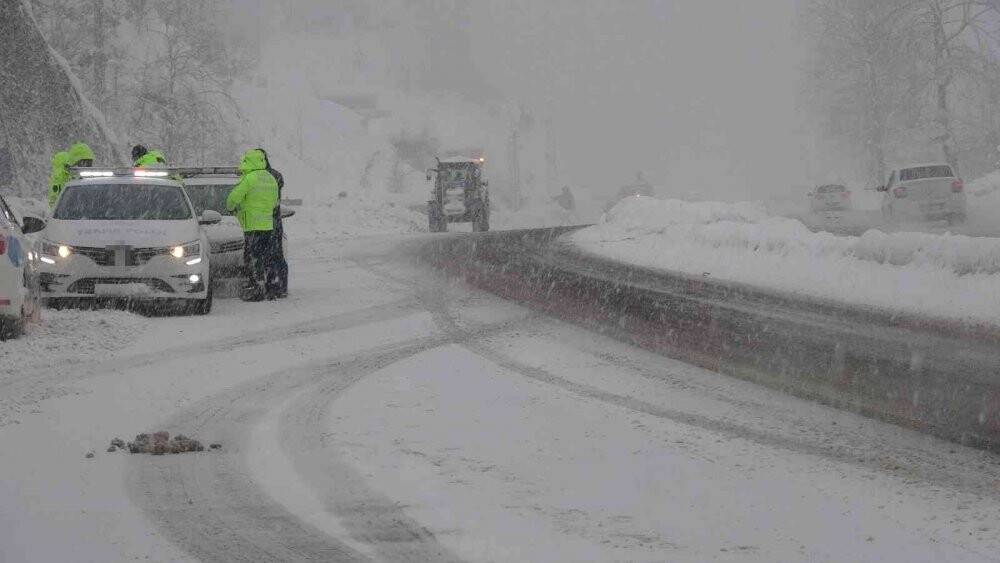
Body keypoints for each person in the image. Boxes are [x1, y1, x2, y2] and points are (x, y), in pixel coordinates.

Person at [226, 148, 279, 301]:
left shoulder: (250, 178)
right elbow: (275, 202)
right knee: (267, 258)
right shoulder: (270, 178)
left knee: (252, 259)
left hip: (252, 226)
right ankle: (270, 288)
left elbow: (233, 198)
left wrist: (231, 208)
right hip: (267, 226)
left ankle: (256, 289)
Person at [257, 148, 288, 298]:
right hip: (271, 222)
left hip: (262, 223)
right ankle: (277, 285)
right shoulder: (275, 176)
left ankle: (271, 286)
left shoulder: (254, 177)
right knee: (275, 256)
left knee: (267, 256)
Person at [48, 142, 95, 209]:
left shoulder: (89, 176)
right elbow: (54, 200)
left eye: (89, 163)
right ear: (75, 162)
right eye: (84, 162)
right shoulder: (61, 177)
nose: (87, 166)